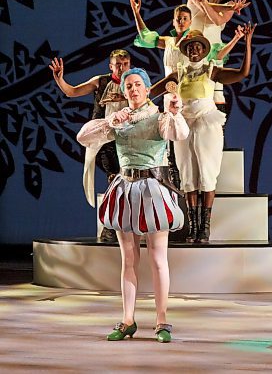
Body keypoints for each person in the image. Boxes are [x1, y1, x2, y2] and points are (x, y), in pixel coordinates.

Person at [76, 68, 189, 343]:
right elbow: (83, 137)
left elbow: (179, 133)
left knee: (158, 259)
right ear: (123, 92)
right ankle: (128, 320)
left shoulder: (159, 117)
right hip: (125, 189)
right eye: (128, 87)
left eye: (138, 85)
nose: (133, 90)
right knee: (128, 260)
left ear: (148, 89)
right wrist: (110, 122)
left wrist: (174, 111)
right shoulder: (120, 119)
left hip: (153, 189)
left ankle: (162, 320)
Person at [151, 23, 256, 243]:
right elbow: (152, 91)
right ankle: (194, 225)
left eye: (197, 46)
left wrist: (247, 43)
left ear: (204, 49)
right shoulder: (178, 73)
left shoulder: (211, 69)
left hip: (207, 124)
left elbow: (242, 73)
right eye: (189, 47)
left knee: (207, 173)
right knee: (188, 174)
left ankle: (205, 227)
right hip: (184, 125)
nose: (193, 50)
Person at [49, 49, 131, 242]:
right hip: (105, 138)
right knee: (114, 180)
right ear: (110, 66)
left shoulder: (135, 82)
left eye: (125, 64)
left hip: (130, 139)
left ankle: (129, 225)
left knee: (130, 182)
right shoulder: (100, 81)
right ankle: (110, 226)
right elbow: (72, 92)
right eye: (117, 65)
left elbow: (145, 104)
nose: (121, 68)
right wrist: (60, 79)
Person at [187, 0, 250, 112]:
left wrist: (205, 3)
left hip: (213, 53)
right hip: (190, 48)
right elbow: (201, 4)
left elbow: (216, 20)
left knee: (215, 97)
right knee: (187, 91)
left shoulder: (228, 2)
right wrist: (227, 8)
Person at [130, 0, 191, 76]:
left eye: (185, 18)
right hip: (169, 86)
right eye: (178, 19)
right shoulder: (168, 41)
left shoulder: (193, 41)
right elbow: (146, 36)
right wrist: (136, 13)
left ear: (190, 22)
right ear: (173, 22)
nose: (181, 22)